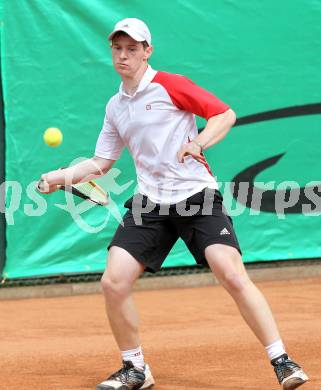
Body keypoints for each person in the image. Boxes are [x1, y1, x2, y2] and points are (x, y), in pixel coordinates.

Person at [38, 18, 308, 390]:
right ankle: (135, 368)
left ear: (147, 51)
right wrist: (57, 177)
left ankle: (282, 359)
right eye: (117, 48)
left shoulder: (170, 86)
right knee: (113, 282)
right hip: (151, 203)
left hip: (196, 195)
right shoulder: (115, 106)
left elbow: (224, 114)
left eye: (132, 49)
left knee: (229, 272)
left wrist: (198, 143)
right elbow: (101, 163)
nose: (123, 55)